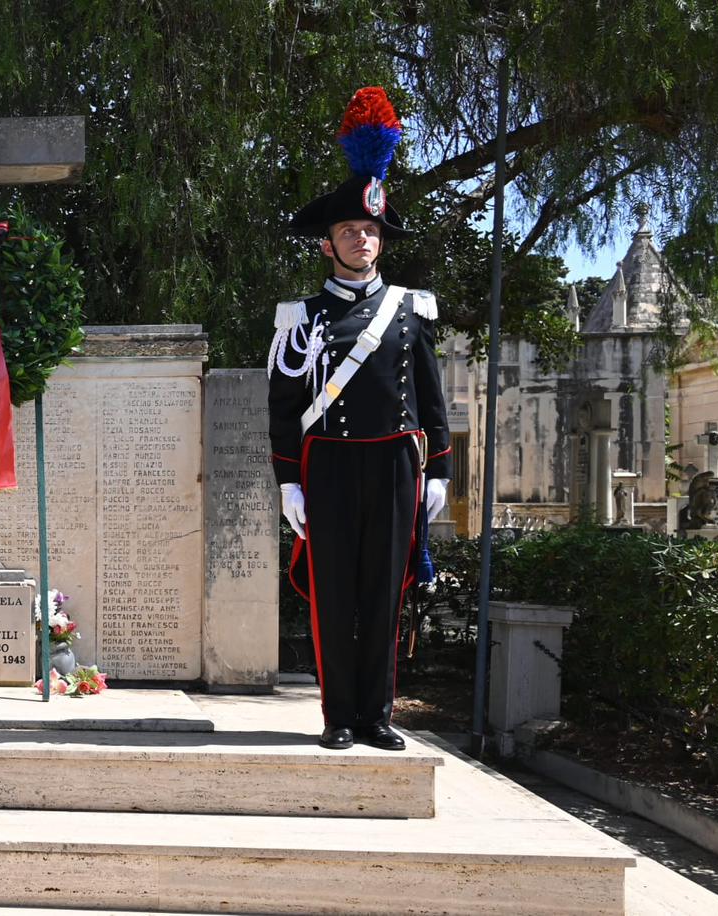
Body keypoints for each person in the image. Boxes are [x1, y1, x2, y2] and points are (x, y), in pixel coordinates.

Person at [266, 87, 450, 751]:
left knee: (384, 593)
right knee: (334, 594)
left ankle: (377, 715)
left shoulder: (409, 310)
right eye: (350, 231)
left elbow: (433, 399)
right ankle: (338, 716)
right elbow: (285, 408)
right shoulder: (301, 318)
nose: (362, 239)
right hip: (331, 466)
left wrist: (442, 473)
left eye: (370, 231)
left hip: (398, 463)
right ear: (329, 245)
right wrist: (288, 482)